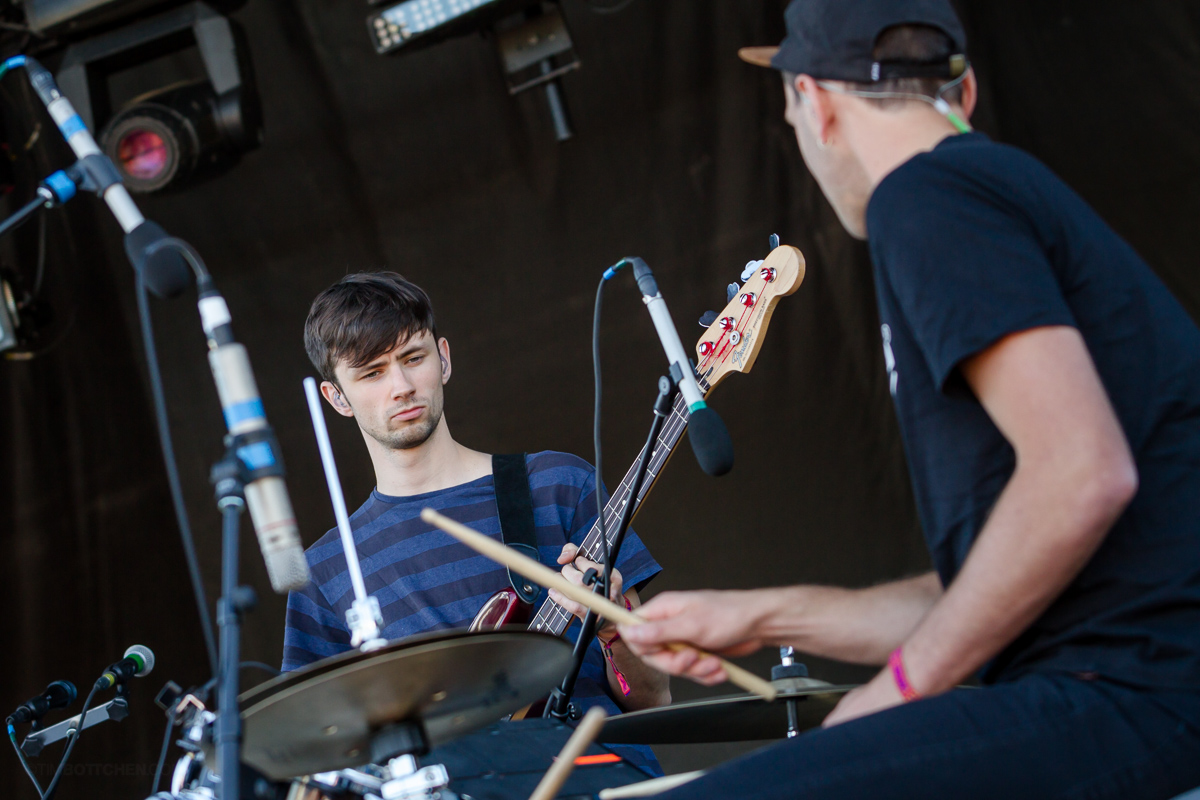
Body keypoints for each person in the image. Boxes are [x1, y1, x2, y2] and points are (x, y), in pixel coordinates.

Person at [617, 0, 1200, 797]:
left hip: (1141, 692)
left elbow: (1081, 475)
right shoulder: (986, 187)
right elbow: (986, 589)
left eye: (790, 110)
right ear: (959, 94)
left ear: (814, 101)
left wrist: (896, 690)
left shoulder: (926, 196)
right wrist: (763, 618)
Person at [282, 272, 670, 773]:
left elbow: (654, 699)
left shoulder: (557, 485)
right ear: (336, 398)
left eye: (412, 358)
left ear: (444, 358)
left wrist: (613, 624)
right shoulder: (327, 572)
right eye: (372, 373)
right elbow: (319, 760)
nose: (401, 387)